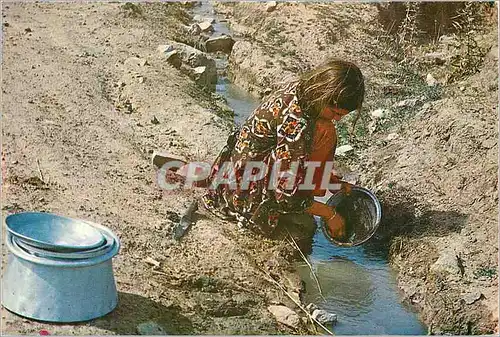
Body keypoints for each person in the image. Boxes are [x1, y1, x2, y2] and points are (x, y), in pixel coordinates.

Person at [201, 59, 365, 244]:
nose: (338, 119)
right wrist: (329, 214)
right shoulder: (297, 124)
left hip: (235, 171)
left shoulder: (302, 90)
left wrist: (326, 179)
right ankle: (278, 209)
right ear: (322, 95)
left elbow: (294, 156)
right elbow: (287, 194)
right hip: (242, 192)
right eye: (336, 112)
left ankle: (310, 190)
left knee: (324, 130)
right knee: (325, 132)